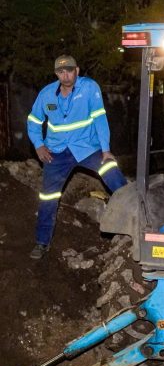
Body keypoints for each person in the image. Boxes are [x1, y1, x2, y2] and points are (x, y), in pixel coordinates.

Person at [26, 55, 127, 259]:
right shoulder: (46, 94)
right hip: (56, 152)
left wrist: (106, 150)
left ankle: (136, 220)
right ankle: (42, 242)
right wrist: (39, 145)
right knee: (48, 197)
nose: (66, 75)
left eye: (70, 70)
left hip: (87, 147)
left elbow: (100, 119)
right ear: (56, 74)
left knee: (113, 175)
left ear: (77, 71)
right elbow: (34, 121)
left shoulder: (89, 88)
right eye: (61, 71)